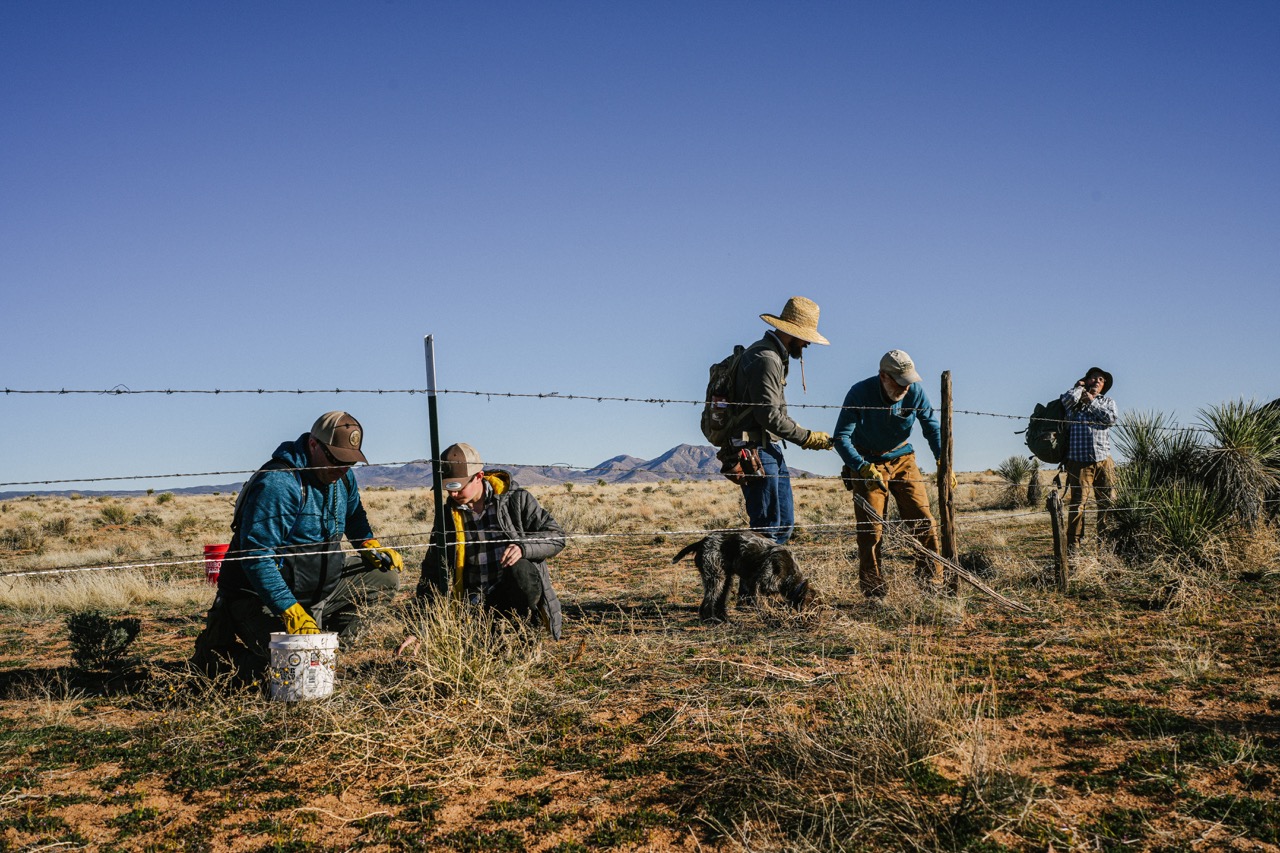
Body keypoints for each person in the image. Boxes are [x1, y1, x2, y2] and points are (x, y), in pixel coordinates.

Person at [193, 411, 403, 676]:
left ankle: (326, 653)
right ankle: (213, 659)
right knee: (284, 673)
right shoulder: (280, 484)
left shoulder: (343, 477)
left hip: (317, 588)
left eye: (349, 462)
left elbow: (354, 516)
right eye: (336, 459)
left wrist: (368, 543)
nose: (342, 469)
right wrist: (288, 609)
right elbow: (256, 557)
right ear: (314, 445)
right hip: (261, 598)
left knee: (384, 579)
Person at [833, 350, 952, 600]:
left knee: (923, 520)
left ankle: (932, 583)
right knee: (871, 531)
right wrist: (861, 466)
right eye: (900, 382)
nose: (905, 388)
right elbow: (841, 438)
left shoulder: (914, 391)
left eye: (908, 381)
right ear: (883, 376)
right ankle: (874, 592)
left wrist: (944, 461)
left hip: (902, 459)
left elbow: (932, 427)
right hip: (866, 461)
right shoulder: (859, 393)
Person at [415, 442, 565, 639]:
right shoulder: (447, 517)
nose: (452, 494)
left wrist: (523, 547)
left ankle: (525, 626)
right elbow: (433, 571)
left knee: (521, 568)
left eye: (457, 487)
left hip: (512, 596)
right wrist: (418, 628)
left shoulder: (516, 500)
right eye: (447, 487)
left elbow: (557, 536)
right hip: (473, 604)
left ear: (478, 476)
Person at [727, 296, 833, 544]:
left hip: (767, 448)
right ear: (792, 333)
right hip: (755, 450)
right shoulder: (766, 358)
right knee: (767, 531)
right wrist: (807, 438)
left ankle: (767, 582)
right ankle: (755, 583)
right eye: (806, 337)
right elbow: (770, 416)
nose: (807, 343)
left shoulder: (773, 355)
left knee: (782, 526)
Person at [1061, 367, 1118, 552]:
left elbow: (1110, 419)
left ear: (1103, 387)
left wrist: (1092, 402)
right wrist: (1079, 387)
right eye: (1094, 378)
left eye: (1101, 380)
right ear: (1086, 380)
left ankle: (1105, 547)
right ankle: (1074, 550)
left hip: (1104, 460)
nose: (1097, 381)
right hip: (1079, 461)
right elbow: (1065, 401)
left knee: (1108, 502)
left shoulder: (1107, 402)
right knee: (1078, 505)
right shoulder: (1074, 400)